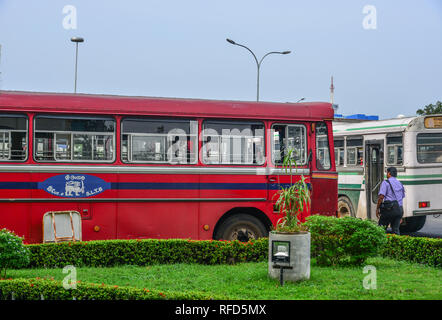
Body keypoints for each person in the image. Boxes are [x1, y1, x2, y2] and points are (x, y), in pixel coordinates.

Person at [376, 167, 405, 235]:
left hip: (389, 209)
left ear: (389, 173)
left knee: (381, 229)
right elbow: (402, 197)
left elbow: (381, 197)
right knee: (395, 230)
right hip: (399, 209)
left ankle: (382, 244)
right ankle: (397, 244)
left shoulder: (385, 183)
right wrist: (401, 215)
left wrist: (377, 208)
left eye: (387, 173)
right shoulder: (400, 183)